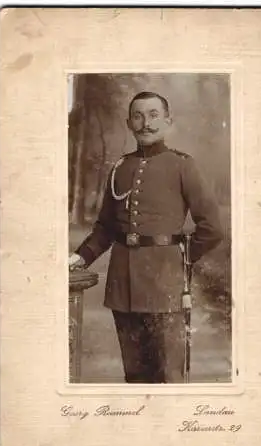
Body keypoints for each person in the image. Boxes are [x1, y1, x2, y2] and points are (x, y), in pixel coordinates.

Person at [69, 91, 223, 384]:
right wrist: (81, 256)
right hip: (122, 285)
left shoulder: (182, 165)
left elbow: (212, 228)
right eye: (138, 116)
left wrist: (183, 259)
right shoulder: (120, 168)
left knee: (169, 375)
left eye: (154, 115)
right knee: (135, 375)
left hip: (165, 284)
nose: (146, 123)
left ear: (168, 121)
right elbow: (106, 227)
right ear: (129, 123)